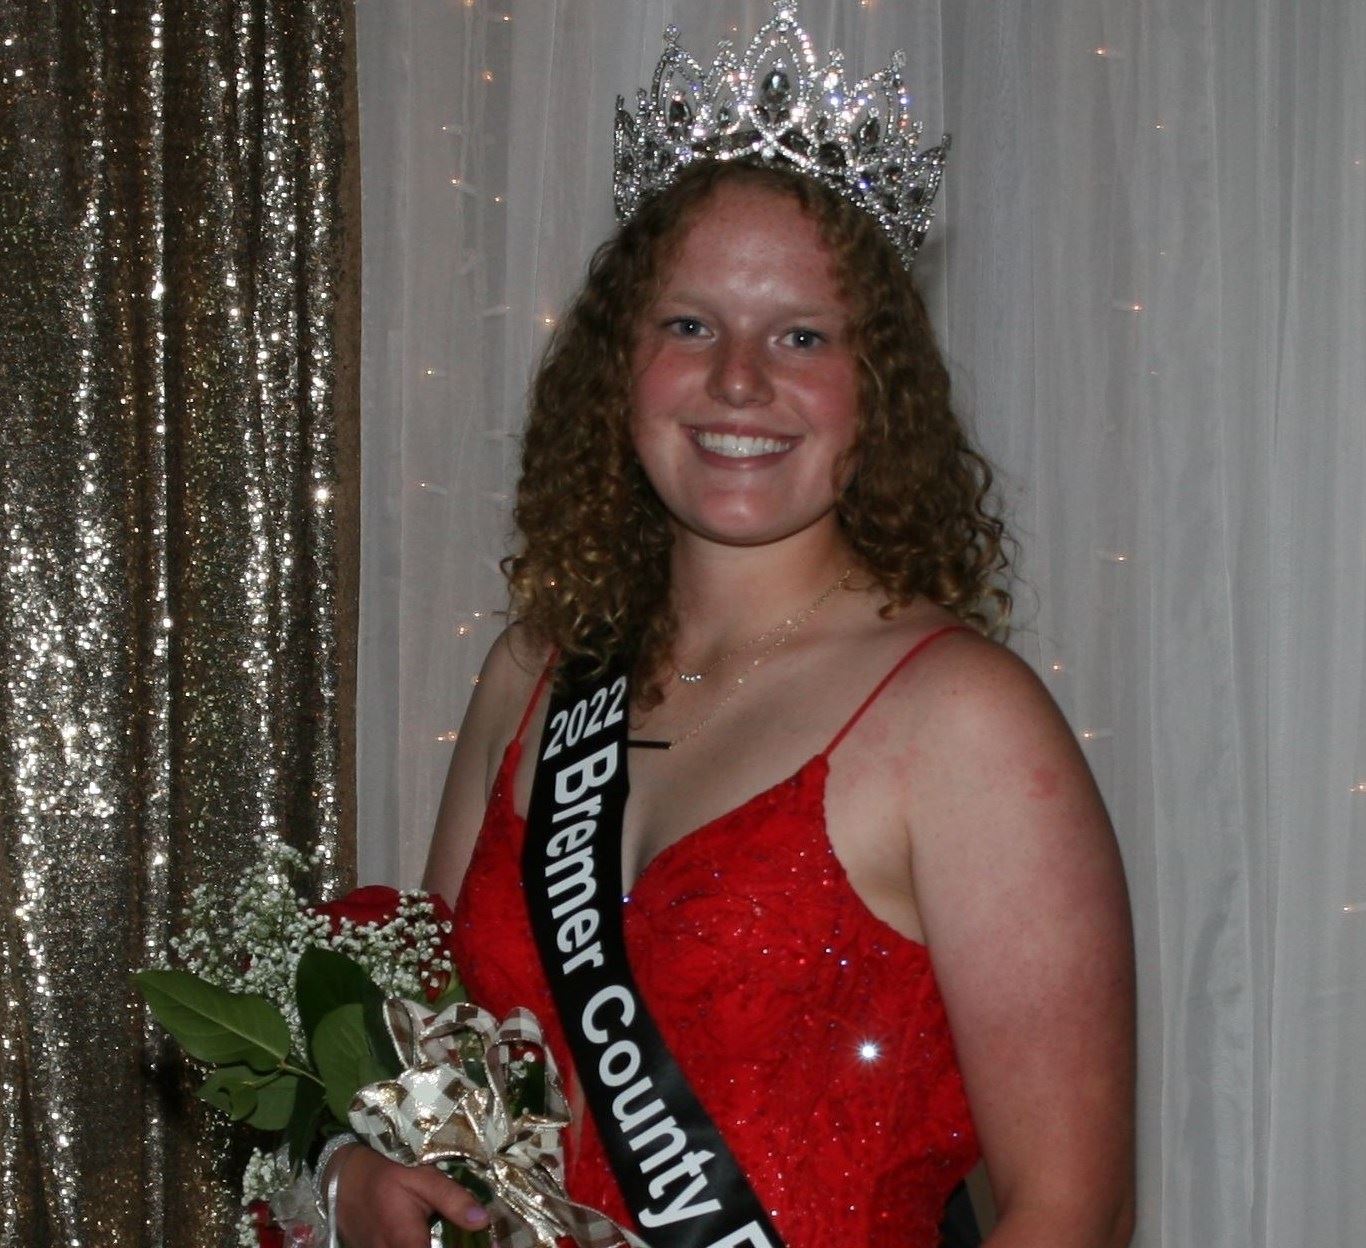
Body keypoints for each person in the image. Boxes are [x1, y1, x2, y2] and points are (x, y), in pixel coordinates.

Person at [332, 9, 1135, 1247]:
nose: (740, 380)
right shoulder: (534, 673)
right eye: (690, 325)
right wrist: (358, 1170)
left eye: (801, 336)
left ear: (879, 386)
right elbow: (436, 1070)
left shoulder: (961, 721)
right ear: (620, 363)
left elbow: (1067, 1213)